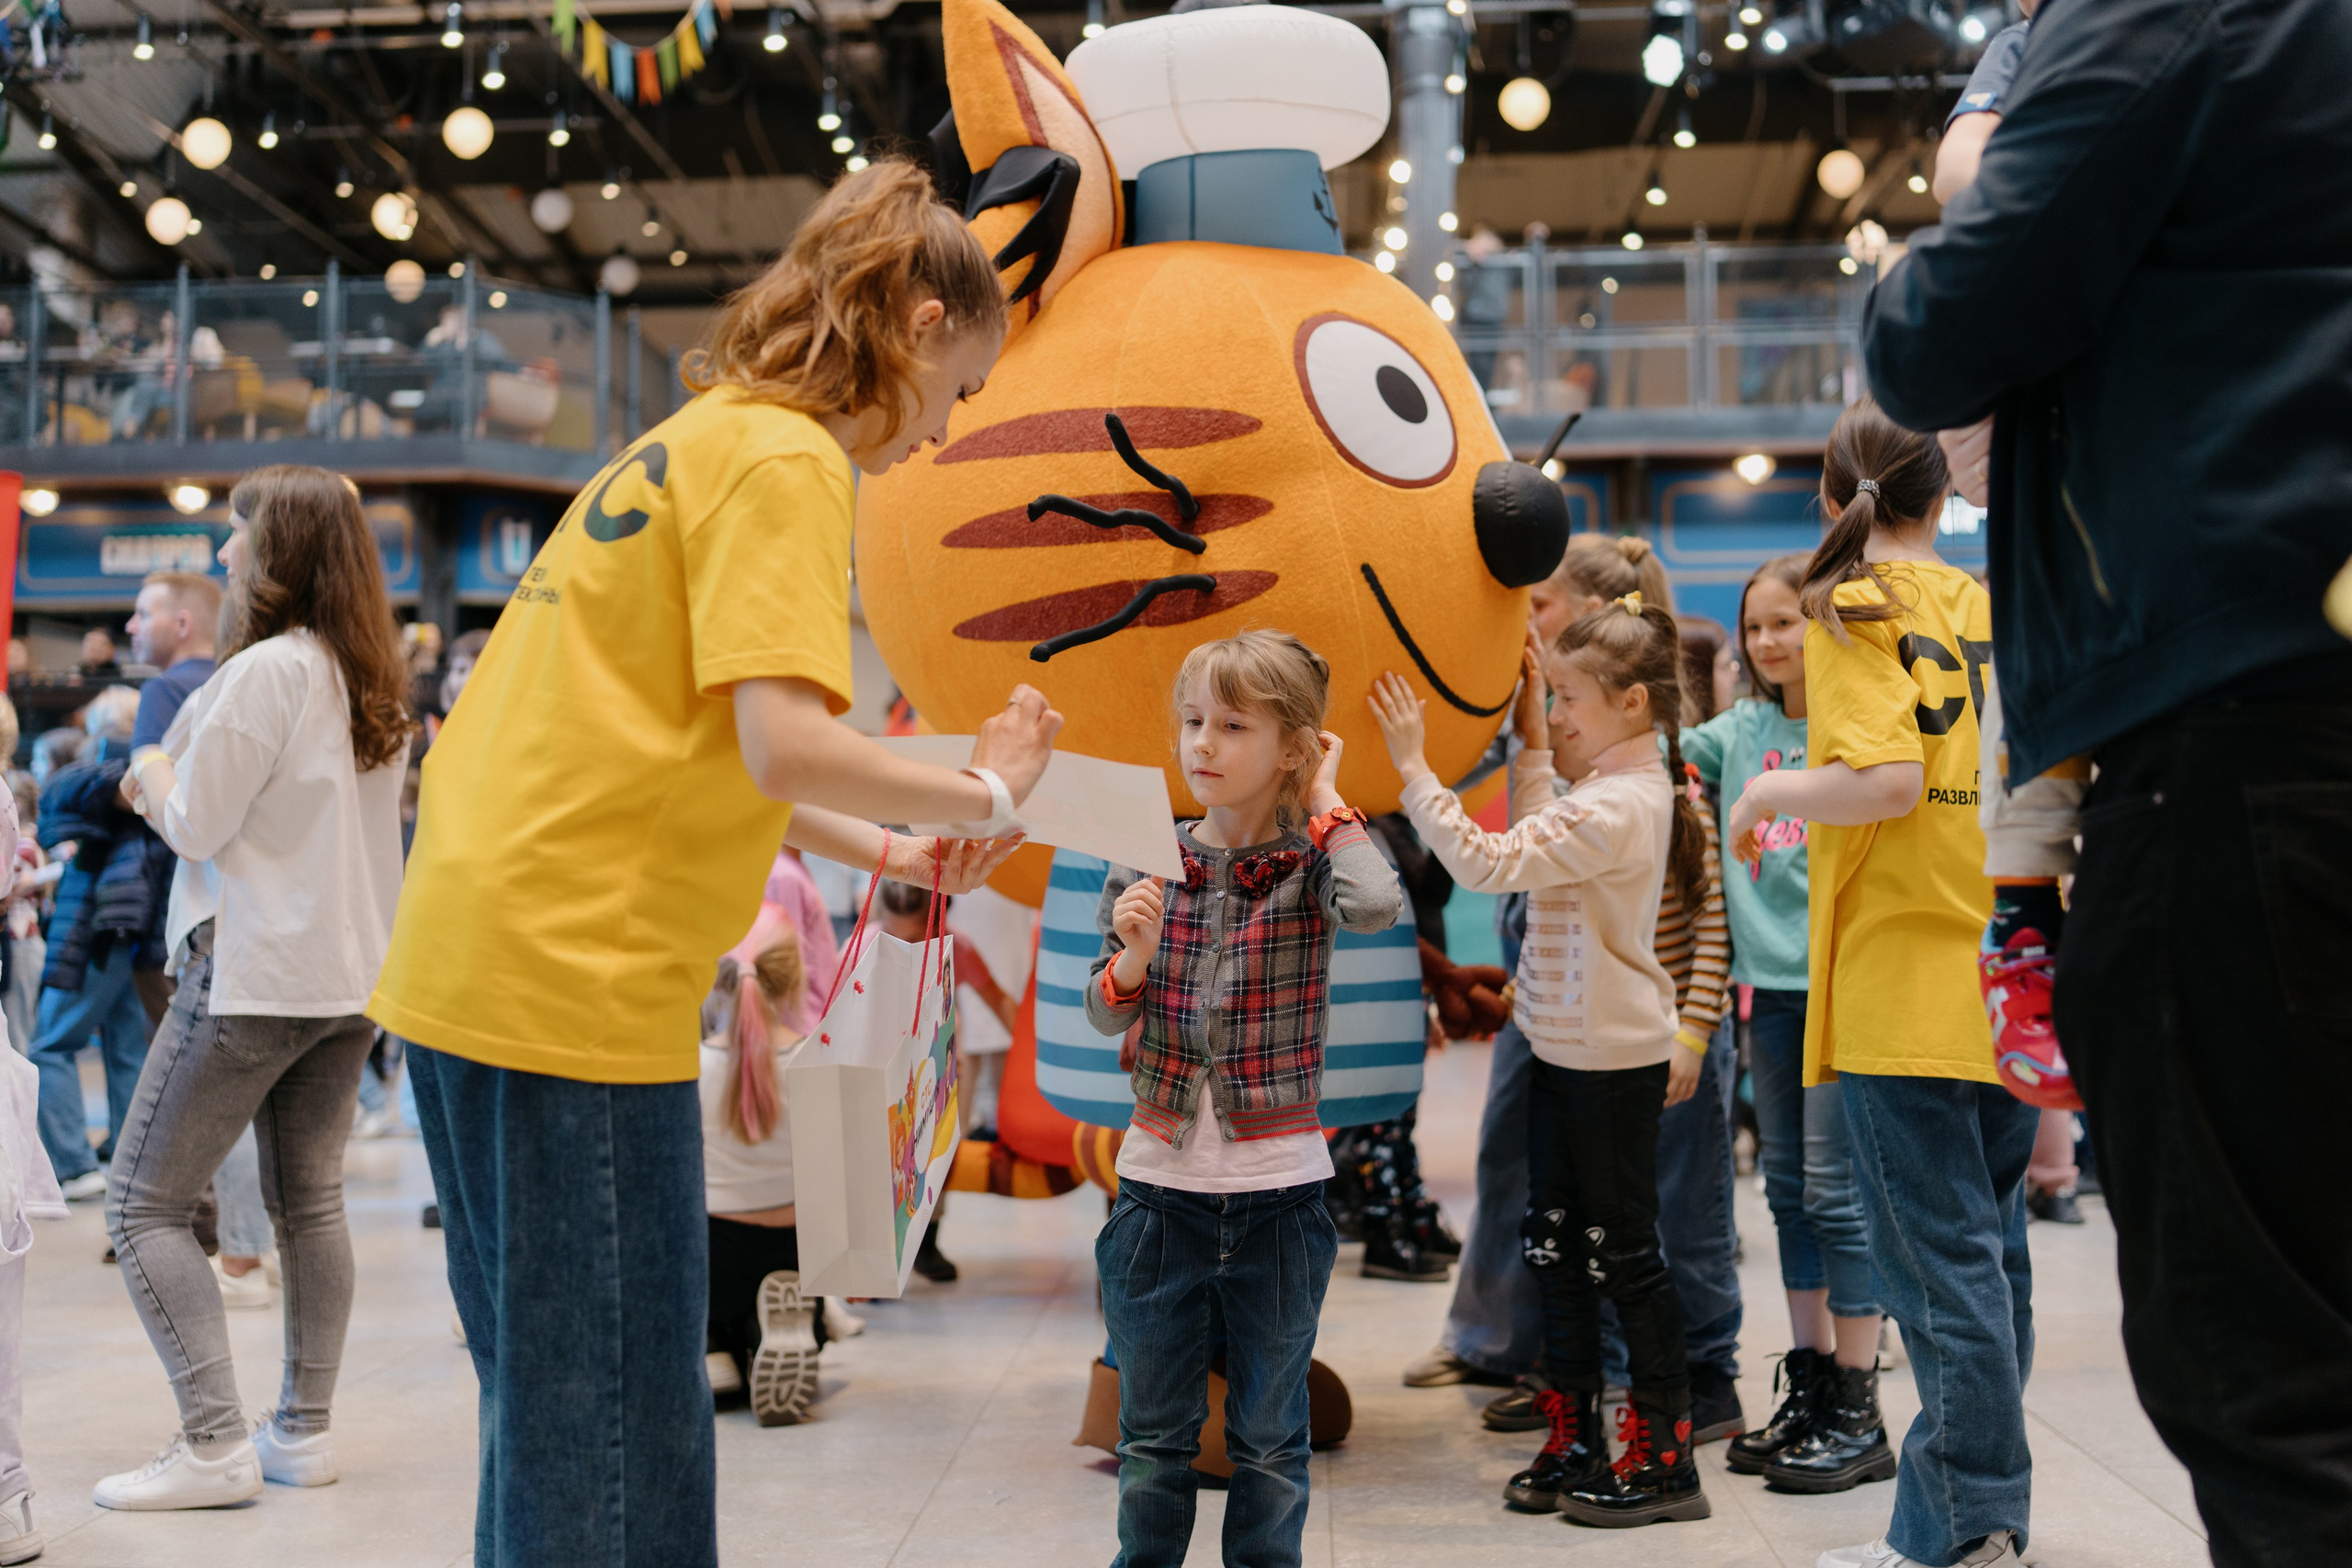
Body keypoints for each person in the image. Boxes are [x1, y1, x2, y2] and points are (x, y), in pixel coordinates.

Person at [368, 158, 1062, 1568]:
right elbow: (785, 743)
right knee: (613, 1432)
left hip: (471, 963)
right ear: (920, 325)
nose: (945, 429)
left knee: (553, 1413)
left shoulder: (703, 438)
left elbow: (714, 753)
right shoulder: (790, 461)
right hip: (574, 982)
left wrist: (905, 847)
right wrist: (991, 782)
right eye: (961, 390)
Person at [1866, 6, 2352, 1562]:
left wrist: (1970, 152)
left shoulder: (2168, 16)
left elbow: (1944, 326)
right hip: (2279, 678)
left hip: (2243, 721)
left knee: (2271, 1364)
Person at [1726, 402, 2024, 1567]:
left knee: (1939, 1273)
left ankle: (1954, 1528)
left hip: (1906, 983)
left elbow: (1886, 779)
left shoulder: (1850, 603)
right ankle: (1987, 1515)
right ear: (1938, 491)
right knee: (1989, 1262)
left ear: (1830, 495)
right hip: (2004, 969)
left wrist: (1767, 793)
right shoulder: (1990, 606)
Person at [96, 464, 412, 1510]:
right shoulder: (371, 680)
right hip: (347, 977)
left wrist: (151, 768)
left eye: (238, 531)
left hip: (253, 972)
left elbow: (195, 824)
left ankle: (211, 1442)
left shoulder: (267, 671)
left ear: (276, 548)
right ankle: (301, 1432)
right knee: (309, 1203)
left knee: (140, 1204)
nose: (225, 552)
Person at [1373, 595, 1711, 1529]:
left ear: (1633, 703)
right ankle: (1574, 1433)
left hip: (1612, 1060)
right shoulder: (1597, 793)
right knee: (1555, 1241)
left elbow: (1488, 862)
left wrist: (1412, 768)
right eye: (1551, 696)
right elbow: (1535, 832)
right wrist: (1528, 738)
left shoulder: (1624, 802)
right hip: (1561, 1049)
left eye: (1568, 698)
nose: (1558, 714)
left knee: (1623, 1254)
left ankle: (1666, 1460)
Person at [1087, 629, 1401, 1568]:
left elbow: (1376, 904)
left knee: (1270, 1441)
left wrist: (1327, 802)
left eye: (1232, 725)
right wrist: (1134, 960)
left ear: (1294, 747)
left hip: (1280, 1200)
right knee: (1152, 1439)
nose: (1203, 743)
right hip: (1156, 1198)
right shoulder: (1145, 860)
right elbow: (1102, 1010)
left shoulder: (1313, 864)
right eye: (1192, 721)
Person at [1686, 554, 1890, 1482]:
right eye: (1755, 626)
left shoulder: (1856, 726)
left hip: (1844, 989)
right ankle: (1809, 1382)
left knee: (1838, 1195)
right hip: (1768, 993)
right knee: (1788, 1191)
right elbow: (1648, 746)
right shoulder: (1740, 731)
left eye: (1785, 623)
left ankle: (1859, 1402)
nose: (1768, 641)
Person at [698, 908, 823, 1426]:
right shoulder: (816, 1060)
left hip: (716, 1258)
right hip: (797, 1253)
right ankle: (791, 1325)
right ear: (794, 976)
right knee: (793, 1285)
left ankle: (716, 1346)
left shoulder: (692, 1065)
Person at [26, 685, 151, 1201]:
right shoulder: (147, 772)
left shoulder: (107, 765)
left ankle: (74, 1166)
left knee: (48, 1045)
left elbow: (58, 802)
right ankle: (129, 1164)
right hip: (133, 928)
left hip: (97, 924)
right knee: (127, 1051)